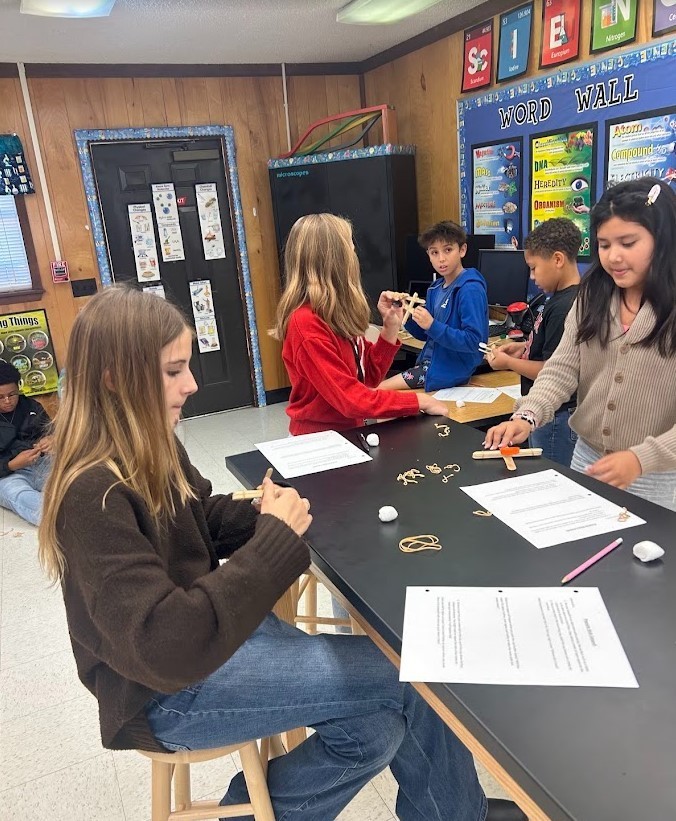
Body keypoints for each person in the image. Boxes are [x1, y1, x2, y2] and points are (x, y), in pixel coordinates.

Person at [38, 286, 525, 821]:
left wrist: (273, 513)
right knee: (415, 678)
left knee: (376, 728)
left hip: (213, 644)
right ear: (114, 378)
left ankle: (250, 814)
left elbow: (201, 515)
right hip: (165, 691)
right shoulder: (91, 494)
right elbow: (165, 643)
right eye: (173, 371)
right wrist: (273, 537)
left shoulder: (149, 441)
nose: (192, 385)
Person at [484, 177, 676, 511]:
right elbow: (562, 368)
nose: (613, 256)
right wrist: (526, 416)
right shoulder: (593, 295)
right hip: (588, 458)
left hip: (658, 475)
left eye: (628, 243)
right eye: (603, 244)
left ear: (662, 240)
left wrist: (640, 459)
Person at [276, 213, 448, 435]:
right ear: (335, 259)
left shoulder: (335, 313)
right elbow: (351, 400)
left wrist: (390, 328)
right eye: (350, 246)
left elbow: (368, 378)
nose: (355, 254)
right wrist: (418, 401)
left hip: (349, 432)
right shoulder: (306, 323)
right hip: (319, 440)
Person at [486, 217, 581, 466]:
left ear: (558, 260)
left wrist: (508, 363)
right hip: (546, 413)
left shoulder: (566, 307)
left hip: (557, 417)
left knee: (552, 476)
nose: (531, 276)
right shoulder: (555, 300)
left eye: (534, 267)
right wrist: (522, 347)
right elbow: (548, 346)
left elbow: (552, 369)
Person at [378, 220, 488, 392]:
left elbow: (474, 342)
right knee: (373, 386)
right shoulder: (435, 288)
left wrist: (432, 325)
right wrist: (406, 316)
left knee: (377, 390)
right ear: (428, 255)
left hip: (449, 369)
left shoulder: (470, 289)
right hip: (431, 363)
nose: (441, 259)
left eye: (448, 250)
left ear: (462, 250)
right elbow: (425, 335)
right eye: (434, 252)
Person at [0, 360, 52, 525]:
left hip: (40, 462)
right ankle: (56, 518)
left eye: (12, 394)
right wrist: (12, 465)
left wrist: (52, 439)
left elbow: (53, 432)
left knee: (75, 473)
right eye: (0, 397)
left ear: (19, 388)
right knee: (18, 495)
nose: (7, 401)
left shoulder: (31, 405)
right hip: (8, 474)